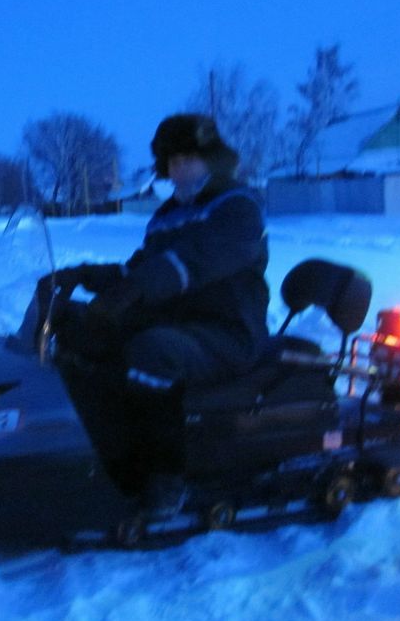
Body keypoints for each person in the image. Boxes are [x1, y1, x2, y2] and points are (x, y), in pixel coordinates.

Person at [49, 113, 270, 517]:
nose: (180, 169)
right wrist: (80, 275)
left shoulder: (238, 207)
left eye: (189, 158)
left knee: (153, 352)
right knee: (83, 331)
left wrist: (136, 290)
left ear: (212, 158)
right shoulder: (166, 215)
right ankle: (94, 447)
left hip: (229, 332)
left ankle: (165, 476)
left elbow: (194, 261)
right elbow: (140, 267)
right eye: (173, 161)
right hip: (181, 325)